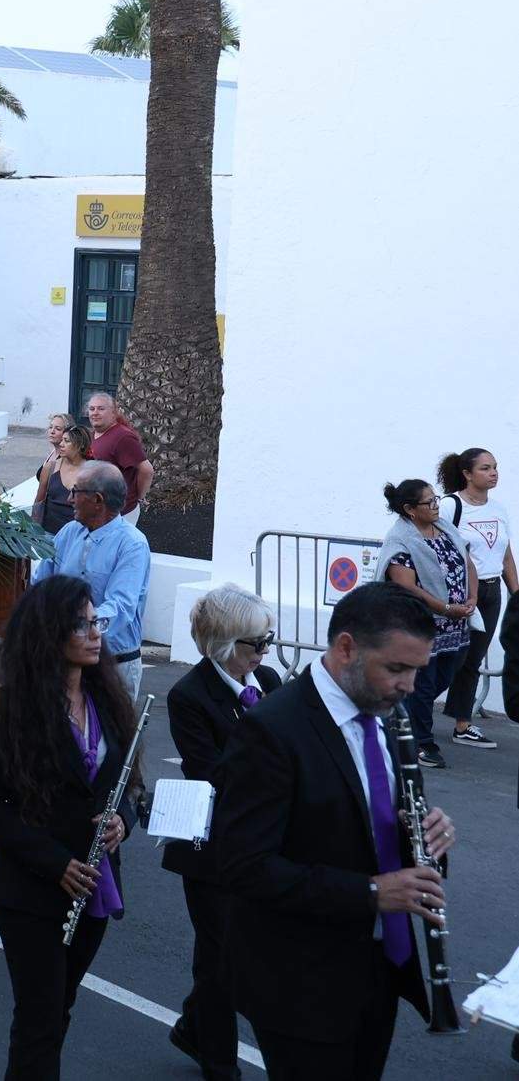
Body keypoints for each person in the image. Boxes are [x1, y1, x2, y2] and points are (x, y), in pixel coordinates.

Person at [217, 581, 454, 1080]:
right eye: (397, 668)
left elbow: (384, 831)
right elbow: (243, 867)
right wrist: (370, 891)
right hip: (301, 980)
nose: (410, 686)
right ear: (346, 647)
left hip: (379, 964)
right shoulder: (272, 729)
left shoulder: (387, 715)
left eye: (418, 670)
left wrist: (429, 842)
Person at [0, 574, 139, 1081]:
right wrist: (54, 862)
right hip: (33, 887)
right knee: (39, 1017)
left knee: (59, 1010)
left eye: (96, 622)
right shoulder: (10, 708)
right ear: (49, 632)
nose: (95, 634)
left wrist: (122, 823)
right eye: (81, 625)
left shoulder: (109, 700)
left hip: (95, 886)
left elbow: (133, 788)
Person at [162, 583, 284, 1081]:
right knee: (217, 953)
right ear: (225, 646)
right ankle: (218, 1061)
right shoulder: (189, 696)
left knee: (244, 946)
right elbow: (209, 771)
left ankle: (193, 1025)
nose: (265, 652)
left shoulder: (271, 681)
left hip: (267, 838)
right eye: (258, 643)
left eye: (266, 641)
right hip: (213, 843)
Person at [379, 479, 475, 769]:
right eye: (429, 502)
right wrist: (446, 608)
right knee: (423, 683)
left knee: (445, 677)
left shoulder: (445, 527)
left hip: (455, 625)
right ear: (409, 509)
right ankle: (421, 742)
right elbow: (408, 587)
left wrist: (473, 597)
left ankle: (397, 717)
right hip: (421, 625)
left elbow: (466, 560)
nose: (436, 506)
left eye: (436, 499)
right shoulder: (401, 541)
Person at [34, 461, 151, 698]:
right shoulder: (68, 532)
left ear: (98, 500)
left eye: (75, 492)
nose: (68, 499)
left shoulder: (132, 545)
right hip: (64, 661)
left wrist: (76, 629)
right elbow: (41, 586)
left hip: (113, 665)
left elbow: (120, 606)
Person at [434, 447, 507, 750]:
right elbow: (437, 548)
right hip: (461, 593)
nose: (493, 473)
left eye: (495, 467)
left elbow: (506, 553)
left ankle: (462, 724)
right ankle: (412, 709)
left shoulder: (498, 509)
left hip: (491, 592)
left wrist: (515, 591)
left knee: (473, 658)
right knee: (449, 657)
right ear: (466, 474)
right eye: (485, 468)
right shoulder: (451, 506)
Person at [83, 393, 153, 525]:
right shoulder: (93, 435)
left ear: (114, 412)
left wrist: (138, 498)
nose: (95, 413)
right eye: (92, 409)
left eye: (101, 409)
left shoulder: (123, 437)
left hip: (119, 514)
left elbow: (147, 470)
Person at [35, 424, 90, 534]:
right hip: (49, 534)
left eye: (67, 441)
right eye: (62, 440)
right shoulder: (50, 468)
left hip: (77, 535)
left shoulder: (91, 472)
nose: (61, 444)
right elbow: (39, 502)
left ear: (81, 445)